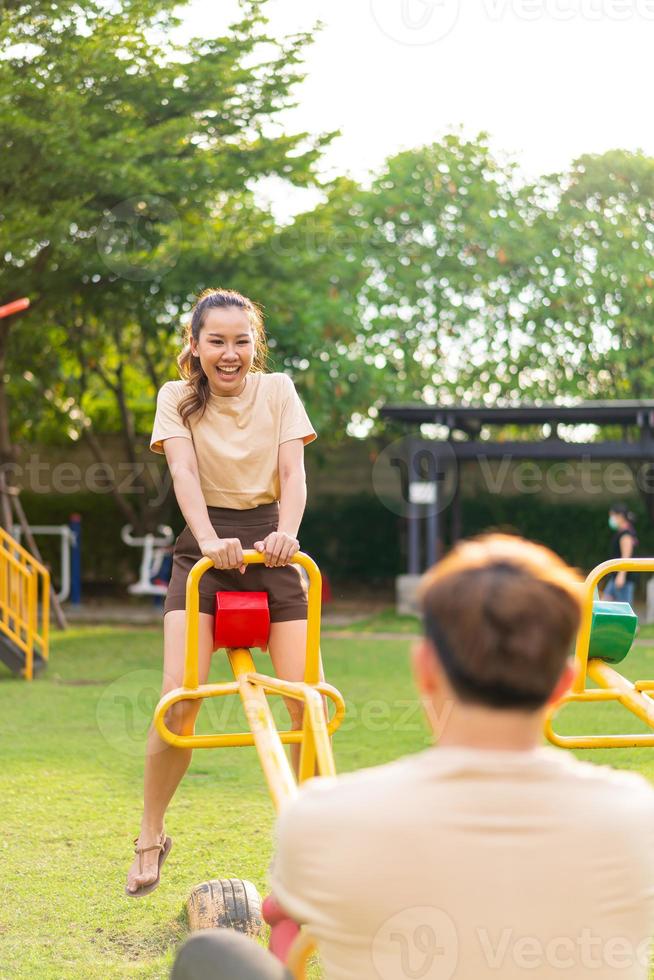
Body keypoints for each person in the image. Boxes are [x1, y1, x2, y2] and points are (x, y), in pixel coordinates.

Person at [172, 534, 654, 980]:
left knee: (208, 958)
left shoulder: (324, 817)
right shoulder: (639, 817)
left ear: (424, 670)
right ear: (563, 686)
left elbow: (286, 936)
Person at [125, 287, 317, 898]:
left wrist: (286, 532)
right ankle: (151, 834)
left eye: (241, 342)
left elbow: (293, 473)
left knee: (302, 701)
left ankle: (311, 845)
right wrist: (208, 540)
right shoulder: (176, 398)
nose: (229, 354)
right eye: (217, 342)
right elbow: (182, 472)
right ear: (197, 345)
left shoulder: (279, 390)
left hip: (274, 545)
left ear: (255, 345)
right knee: (180, 702)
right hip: (204, 550)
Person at [602, 502, 638, 604]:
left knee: (625, 610)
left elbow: (626, 556)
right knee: (605, 605)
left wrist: (621, 576)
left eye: (612, 516)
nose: (611, 519)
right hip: (616, 576)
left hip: (622, 579)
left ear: (620, 516)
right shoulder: (622, 532)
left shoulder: (626, 534)